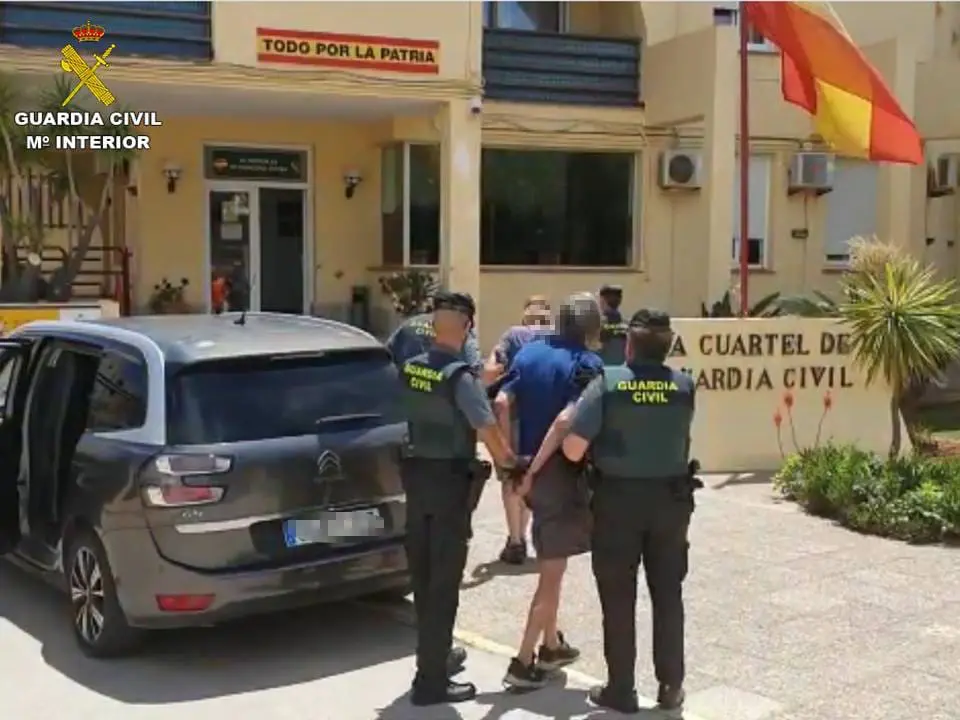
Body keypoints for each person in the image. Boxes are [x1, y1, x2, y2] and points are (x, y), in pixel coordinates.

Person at [561, 308, 697, 716]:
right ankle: (671, 686)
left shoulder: (608, 384)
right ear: (668, 347)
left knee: (618, 597)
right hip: (671, 502)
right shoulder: (684, 386)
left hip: (617, 502)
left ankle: (621, 689)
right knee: (668, 593)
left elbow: (573, 449)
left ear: (630, 346)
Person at [398, 291, 525, 706]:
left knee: (423, 578)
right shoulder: (459, 378)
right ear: (468, 327)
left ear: (433, 325)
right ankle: (431, 682)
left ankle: (434, 658)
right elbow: (487, 429)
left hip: (416, 481)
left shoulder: (411, 368)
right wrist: (512, 465)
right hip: (449, 486)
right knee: (444, 582)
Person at [494, 292, 604, 690]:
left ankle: (552, 645)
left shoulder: (529, 353)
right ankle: (523, 662)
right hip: (558, 474)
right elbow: (563, 423)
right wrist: (535, 470)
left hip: (526, 467)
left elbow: (501, 403)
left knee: (550, 562)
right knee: (552, 573)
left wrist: (511, 464)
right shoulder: (587, 364)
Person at [484, 295, 552, 564]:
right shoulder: (555, 338)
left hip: (512, 416)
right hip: (545, 418)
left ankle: (515, 540)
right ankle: (522, 535)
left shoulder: (512, 336)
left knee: (511, 476)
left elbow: (490, 370)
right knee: (531, 476)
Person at [385, 299, 483, 373]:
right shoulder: (460, 330)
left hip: (405, 384)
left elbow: (386, 354)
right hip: (441, 388)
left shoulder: (410, 323)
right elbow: (475, 369)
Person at [597, 284, 628, 366]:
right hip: (621, 368)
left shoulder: (597, 325)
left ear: (603, 301)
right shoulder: (627, 326)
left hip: (602, 367)